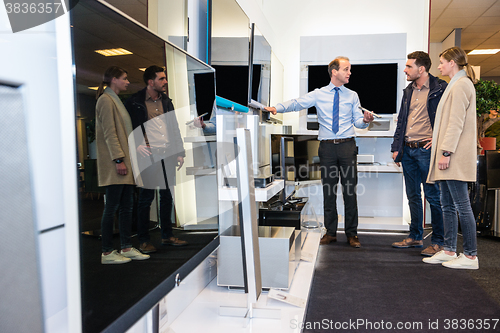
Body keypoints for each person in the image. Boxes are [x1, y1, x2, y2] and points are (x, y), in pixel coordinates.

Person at [265, 56, 374, 248]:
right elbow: (297, 103)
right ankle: (330, 233)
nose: (350, 73)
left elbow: (357, 121)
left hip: (348, 146)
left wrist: (365, 120)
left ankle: (352, 234)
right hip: (327, 148)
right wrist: (277, 108)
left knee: (350, 191)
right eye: (346, 69)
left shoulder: (352, 95)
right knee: (329, 191)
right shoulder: (319, 93)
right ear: (335, 71)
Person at [423, 46, 478, 269]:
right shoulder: (455, 84)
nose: (439, 66)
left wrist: (445, 152)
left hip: (452, 155)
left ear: (452, 63)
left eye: (442, 62)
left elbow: (455, 123)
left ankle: (471, 256)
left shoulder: (461, 85)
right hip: (447, 155)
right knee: (447, 204)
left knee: (461, 205)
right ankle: (449, 250)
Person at [125, 65, 187, 254]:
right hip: (148, 155)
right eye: (161, 79)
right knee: (146, 198)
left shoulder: (167, 102)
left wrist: (179, 152)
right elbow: (127, 127)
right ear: (150, 82)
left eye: (165, 78)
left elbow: (174, 127)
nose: (165, 81)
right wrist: (135, 144)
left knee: (167, 196)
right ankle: (143, 240)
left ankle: (167, 236)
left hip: (167, 153)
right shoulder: (135, 102)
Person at [390, 51, 447, 256]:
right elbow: (402, 120)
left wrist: (439, 140)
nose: (405, 70)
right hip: (408, 151)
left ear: (421, 69)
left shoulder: (440, 88)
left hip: (426, 150)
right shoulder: (408, 91)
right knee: (413, 196)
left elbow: (449, 118)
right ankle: (415, 237)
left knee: (433, 196)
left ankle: (439, 242)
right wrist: (396, 147)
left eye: (409, 66)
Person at [95, 66, 150, 264]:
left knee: (127, 207)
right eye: (124, 78)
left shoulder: (116, 100)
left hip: (125, 163)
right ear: (114, 80)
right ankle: (107, 252)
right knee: (112, 207)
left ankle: (126, 247)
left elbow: (123, 134)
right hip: (116, 164)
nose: (127, 82)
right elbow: (110, 134)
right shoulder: (105, 100)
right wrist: (118, 159)